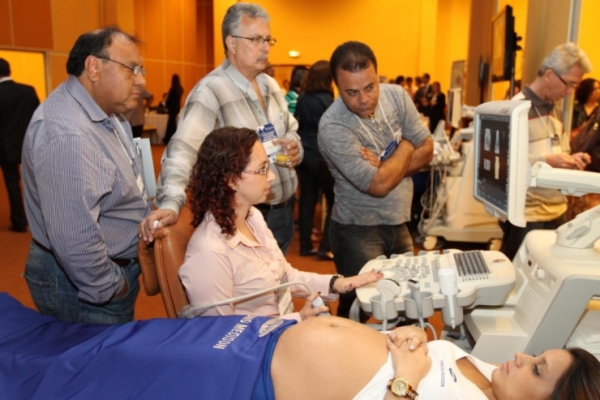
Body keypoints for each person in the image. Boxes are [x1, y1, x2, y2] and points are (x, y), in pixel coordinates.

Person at [3, 292, 600, 400]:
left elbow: (406, 382)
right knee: (118, 346)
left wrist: (406, 377)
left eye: (537, 370)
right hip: (257, 340)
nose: (524, 357)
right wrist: (418, 338)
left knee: (108, 375)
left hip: (251, 382)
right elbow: (427, 349)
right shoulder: (492, 372)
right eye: (537, 355)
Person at [140, 3, 302, 256]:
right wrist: (170, 202)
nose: (265, 47)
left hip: (283, 212)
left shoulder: (269, 85)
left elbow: (290, 130)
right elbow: (182, 152)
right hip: (242, 220)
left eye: (268, 39)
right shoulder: (211, 91)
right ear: (232, 42)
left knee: (277, 280)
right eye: (256, 39)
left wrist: (294, 146)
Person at [179, 126, 382, 322]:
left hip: (280, 329)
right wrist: (297, 319)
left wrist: (338, 282)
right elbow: (223, 334)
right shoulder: (210, 251)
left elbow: (285, 276)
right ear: (232, 180)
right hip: (259, 343)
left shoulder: (253, 217)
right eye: (262, 169)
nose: (272, 176)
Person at [20, 27, 152, 324]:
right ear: (93, 67)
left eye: (141, 70)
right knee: (94, 353)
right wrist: (111, 287)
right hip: (85, 286)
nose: (141, 80)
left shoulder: (109, 113)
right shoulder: (68, 134)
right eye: (131, 68)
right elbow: (74, 238)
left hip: (108, 270)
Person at [318, 41, 433, 318]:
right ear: (337, 87)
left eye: (370, 87)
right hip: (357, 229)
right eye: (352, 92)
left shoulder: (397, 96)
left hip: (399, 221)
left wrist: (384, 166)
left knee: (408, 303)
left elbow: (428, 150)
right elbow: (378, 185)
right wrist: (407, 144)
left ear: (378, 75)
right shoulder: (332, 125)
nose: (364, 99)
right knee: (358, 310)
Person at [501, 42, 593, 261]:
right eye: (569, 84)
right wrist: (546, 161)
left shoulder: (556, 111)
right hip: (526, 215)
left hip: (557, 211)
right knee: (516, 275)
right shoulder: (514, 109)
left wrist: (571, 159)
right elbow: (503, 164)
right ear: (549, 74)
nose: (569, 92)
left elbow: (561, 150)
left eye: (574, 86)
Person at [294, 60, 335, 259]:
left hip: (305, 154)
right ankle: (326, 246)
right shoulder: (328, 100)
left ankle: (305, 246)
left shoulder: (302, 97)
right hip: (323, 156)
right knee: (334, 200)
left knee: (307, 201)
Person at [0, 58, 40, 233]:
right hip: (30, 143)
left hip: (5, 147)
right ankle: (43, 219)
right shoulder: (28, 91)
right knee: (36, 183)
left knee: (12, 184)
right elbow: (38, 117)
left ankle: (19, 221)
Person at [162, 73, 183, 144]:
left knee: (171, 123)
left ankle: (169, 138)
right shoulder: (180, 88)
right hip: (177, 107)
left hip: (172, 107)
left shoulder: (173, 88)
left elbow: (169, 99)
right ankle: (173, 137)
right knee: (173, 122)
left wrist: (166, 106)